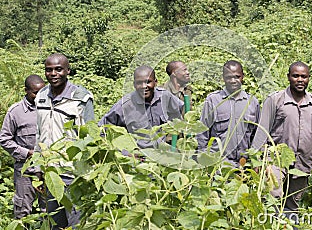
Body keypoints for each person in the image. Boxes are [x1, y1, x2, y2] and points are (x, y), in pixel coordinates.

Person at [252, 61, 312, 211]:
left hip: (303, 160)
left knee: (293, 201)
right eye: (295, 76)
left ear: (309, 78)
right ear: (288, 77)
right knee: (272, 198)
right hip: (275, 159)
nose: (300, 80)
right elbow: (261, 131)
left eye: (304, 76)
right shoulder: (275, 100)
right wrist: (256, 160)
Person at [34, 53, 94, 229]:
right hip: (51, 172)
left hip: (74, 174)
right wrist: (38, 167)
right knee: (55, 223)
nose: (53, 74)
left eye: (58, 69)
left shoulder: (81, 98)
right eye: (49, 70)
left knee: (76, 223)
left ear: (68, 70)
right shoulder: (41, 96)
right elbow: (39, 133)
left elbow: (90, 135)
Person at [99, 65, 184, 149]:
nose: (144, 86)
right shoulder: (125, 105)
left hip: (163, 153)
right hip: (138, 157)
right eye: (139, 83)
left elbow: (182, 112)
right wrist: (123, 152)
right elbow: (102, 129)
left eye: (148, 82)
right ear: (134, 84)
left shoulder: (165, 97)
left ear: (155, 82)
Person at [197, 60, 260, 167]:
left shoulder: (252, 102)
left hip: (245, 164)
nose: (233, 81)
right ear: (223, 78)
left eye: (237, 77)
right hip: (218, 164)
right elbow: (202, 131)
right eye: (228, 77)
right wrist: (204, 159)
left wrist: (255, 161)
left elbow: (257, 134)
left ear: (242, 77)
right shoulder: (213, 100)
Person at [0, 75, 45, 219]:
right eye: (35, 92)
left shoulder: (49, 108)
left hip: (47, 169)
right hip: (25, 172)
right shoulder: (16, 112)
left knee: (50, 212)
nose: (39, 96)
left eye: (42, 91)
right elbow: (5, 139)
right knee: (22, 212)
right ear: (26, 91)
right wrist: (27, 153)